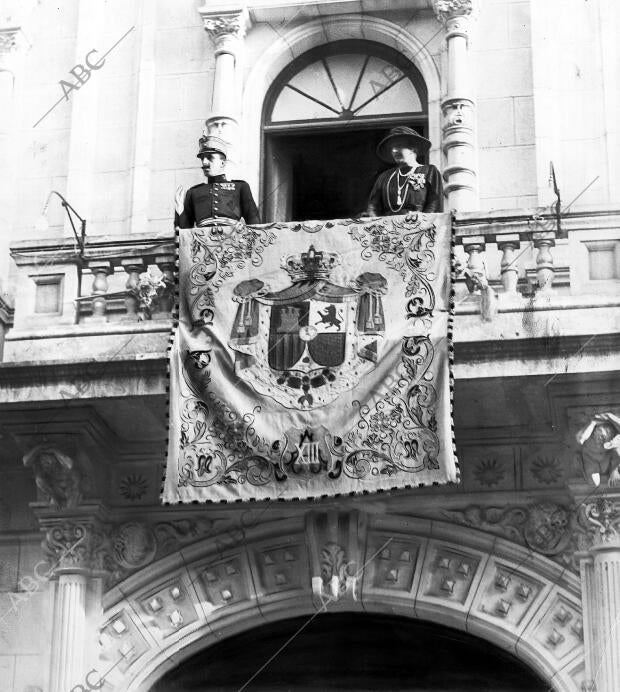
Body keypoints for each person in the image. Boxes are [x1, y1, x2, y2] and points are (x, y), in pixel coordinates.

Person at [175, 133, 261, 228]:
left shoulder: (240, 187)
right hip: (203, 241)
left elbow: (254, 222)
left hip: (232, 240)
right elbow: (185, 233)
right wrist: (180, 212)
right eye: (202, 158)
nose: (204, 162)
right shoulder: (193, 192)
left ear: (222, 163)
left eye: (209, 157)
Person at [365, 126, 443, 216]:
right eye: (392, 148)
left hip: (419, 226)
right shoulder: (384, 177)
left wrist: (422, 223)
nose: (394, 150)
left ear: (413, 148)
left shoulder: (429, 172)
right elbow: (372, 207)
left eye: (398, 146)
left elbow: (434, 203)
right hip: (388, 228)